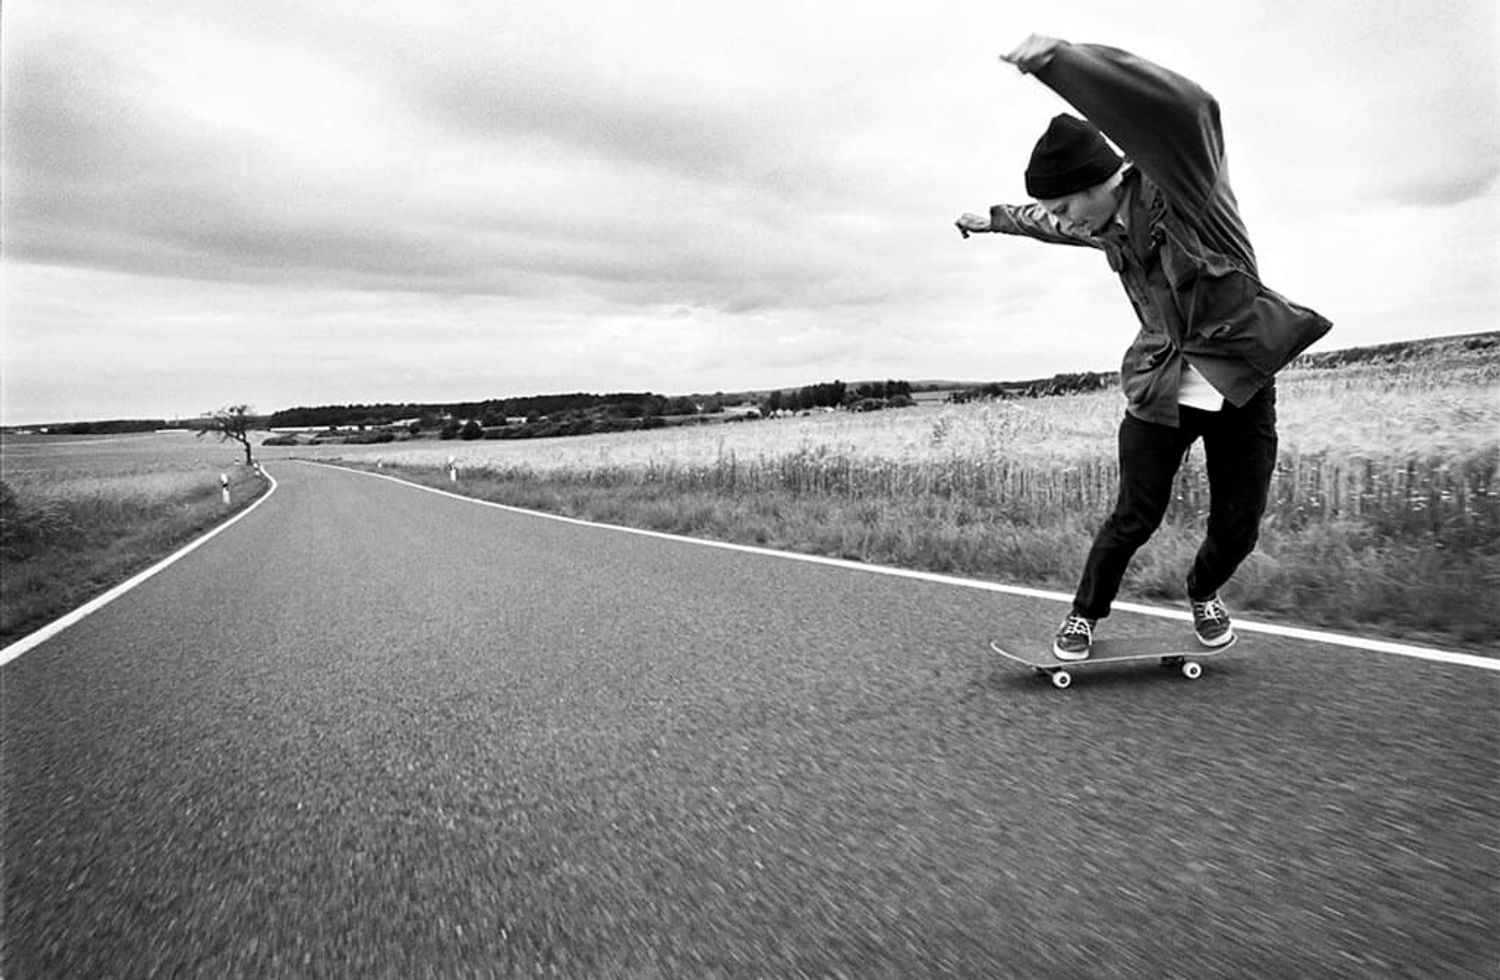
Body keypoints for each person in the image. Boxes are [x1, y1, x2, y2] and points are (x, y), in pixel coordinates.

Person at [956, 36, 1331, 661]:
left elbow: (1194, 111)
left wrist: (1061, 63)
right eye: (1057, 210)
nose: (1066, 220)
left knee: (1239, 523)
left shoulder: (1186, 192)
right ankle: (1083, 615)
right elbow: (1044, 221)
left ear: (1102, 182)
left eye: (1067, 205)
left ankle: (1203, 590)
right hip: (1165, 383)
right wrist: (994, 218)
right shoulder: (1101, 223)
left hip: (1238, 379)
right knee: (1135, 514)